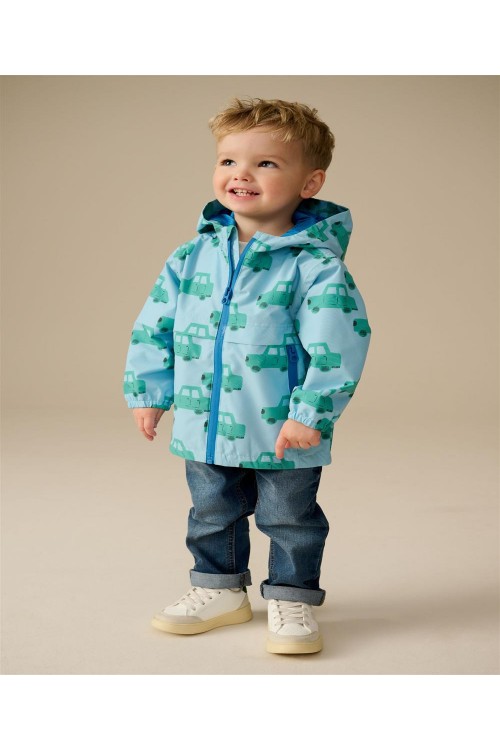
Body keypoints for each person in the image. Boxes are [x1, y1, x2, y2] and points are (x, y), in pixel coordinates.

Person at [123, 97, 372, 654]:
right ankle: (220, 590)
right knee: (211, 512)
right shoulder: (190, 258)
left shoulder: (314, 265)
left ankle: (292, 596)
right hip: (205, 420)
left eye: (265, 163)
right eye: (228, 161)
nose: (241, 174)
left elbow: (338, 345)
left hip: (284, 429)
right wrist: (150, 391)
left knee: (290, 518)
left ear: (310, 182)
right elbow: (155, 326)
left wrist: (311, 413)